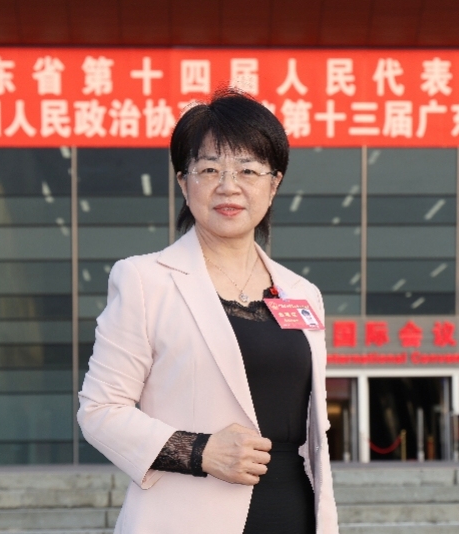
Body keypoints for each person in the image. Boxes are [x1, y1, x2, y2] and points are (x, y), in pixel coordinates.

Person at [77, 88, 339, 534]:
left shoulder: (302, 293)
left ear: (274, 183)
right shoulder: (145, 280)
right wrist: (200, 451)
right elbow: (99, 411)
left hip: (294, 511)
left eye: (248, 170)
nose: (228, 186)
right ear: (184, 182)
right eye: (210, 169)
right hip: (187, 515)